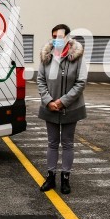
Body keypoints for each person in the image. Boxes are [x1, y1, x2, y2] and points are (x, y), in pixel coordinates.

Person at [36, 23, 87, 195]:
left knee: (67, 143)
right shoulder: (46, 56)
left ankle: (65, 178)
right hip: (49, 107)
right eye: (54, 36)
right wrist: (49, 101)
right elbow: (41, 80)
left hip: (70, 108)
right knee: (52, 143)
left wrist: (63, 102)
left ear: (67, 38)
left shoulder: (77, 57)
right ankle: (50, 177)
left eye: (60, 37)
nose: (57, 40)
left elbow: (80, 83)